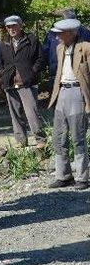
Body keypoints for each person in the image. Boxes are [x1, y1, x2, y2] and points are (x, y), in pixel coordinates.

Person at [47, 19, 90, 190]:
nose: (57, 37)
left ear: (71, 33)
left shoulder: (86, 47)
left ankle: (82, 177)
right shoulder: (60, 48)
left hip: (78, 92)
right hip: (62, 92)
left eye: (60, 34)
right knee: (59, 137)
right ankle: (63, 175)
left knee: (78, 136)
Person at [0, 15, 46, 148]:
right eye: (8, 27)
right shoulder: (4, 43)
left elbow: (40, 59)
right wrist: (2, 73)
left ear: (20, 25)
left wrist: (32, 72)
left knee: (32, 112)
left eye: (14, 26)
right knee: (15, 114)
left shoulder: (31, 40)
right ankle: (21, 141)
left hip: (27, 83)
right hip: (10, 83)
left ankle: (40, 139)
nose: (11, 29)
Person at [42, 9, 90, 88]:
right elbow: (45, 52)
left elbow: (45, 51)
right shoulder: (52, 33)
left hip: (76, 76)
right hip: (56, 72)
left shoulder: (85, 33)